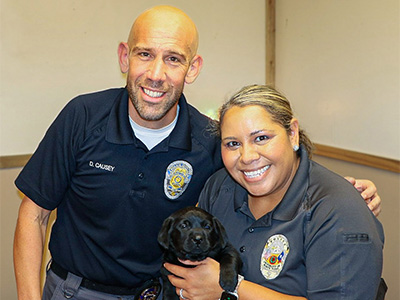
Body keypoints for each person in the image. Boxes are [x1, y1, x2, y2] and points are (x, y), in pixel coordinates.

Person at [13, 6, 381, 300]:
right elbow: (34, 214)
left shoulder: (210, 141)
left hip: (164, 290)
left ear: (193, 68)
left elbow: (269, 169)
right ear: (125, 57)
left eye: (173, 59)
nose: (156, 74)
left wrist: (342, 192)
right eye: (145, 54)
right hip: (76, 290)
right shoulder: (82, 116)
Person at [164, 85, 384, 300]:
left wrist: (232, 289)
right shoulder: (219, 187)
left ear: (293, 133)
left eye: (261, 138)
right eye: (232, 143)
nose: (247, 156)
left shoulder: (337, 210)